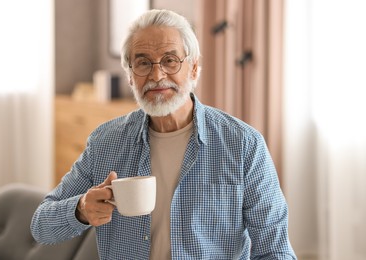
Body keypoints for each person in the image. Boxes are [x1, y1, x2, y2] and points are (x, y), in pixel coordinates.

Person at [31, 9, 297, 260]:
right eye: (143, 63)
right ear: (130, 75)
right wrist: (80, 210)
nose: (156, 75)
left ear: (193, 68)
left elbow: (275, 251)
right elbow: (40, 225)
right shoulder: (105, 143)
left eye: (170, 60)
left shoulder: (243, 145)